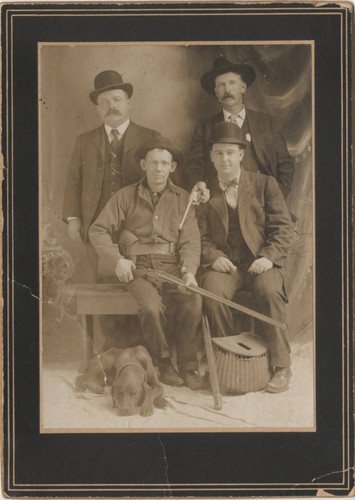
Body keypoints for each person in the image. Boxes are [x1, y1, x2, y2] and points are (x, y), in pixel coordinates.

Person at [89, 136, 204, 390]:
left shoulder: (185, 199)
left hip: (173, 267)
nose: (159, 169)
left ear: (173, 167)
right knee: (151, 307)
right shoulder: (125, 196)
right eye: (153, 163)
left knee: (193, 300)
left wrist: (189, 273)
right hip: (140, 269)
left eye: (164, 163)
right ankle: (163, 363)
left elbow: (190, 243)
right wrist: (117, 260)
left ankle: (188, 367)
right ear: (143, 165)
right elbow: (97, 230)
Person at [199, 122, 294, 393]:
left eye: (230, 152)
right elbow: (199, 236)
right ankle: (226, 361)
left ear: (241, 154)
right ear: (211, 156)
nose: (225, 159)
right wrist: (212, 256)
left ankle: (281, 366)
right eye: (219, 153)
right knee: (212, 290)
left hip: (261, 263)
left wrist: (268, 257)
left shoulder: (265, 184)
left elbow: (283, 228)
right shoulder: (204, 192)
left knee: (270, 289)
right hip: (226, 266)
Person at [63, 69, 160, 274]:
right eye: (104, 102)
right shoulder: (85, 141)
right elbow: (74, 181)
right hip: (94, 223)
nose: (111, 106)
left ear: (128, 103)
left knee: (136, 280)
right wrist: (74, 219)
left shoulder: (150, 137)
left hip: (137, 225)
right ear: (98, 108)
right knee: (95, 283)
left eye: (117, 100)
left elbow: (163, 181)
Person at [183, 56, 295, 200]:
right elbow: (194, 165)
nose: (227, 89)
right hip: (220, 203)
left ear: (243, 87)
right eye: (221, 85)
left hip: (261, 202)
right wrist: (199, 184)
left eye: (232, 83)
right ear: (216, 92)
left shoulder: (268, 124)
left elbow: (285, 165)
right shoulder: (205, 128)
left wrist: (276, 200)